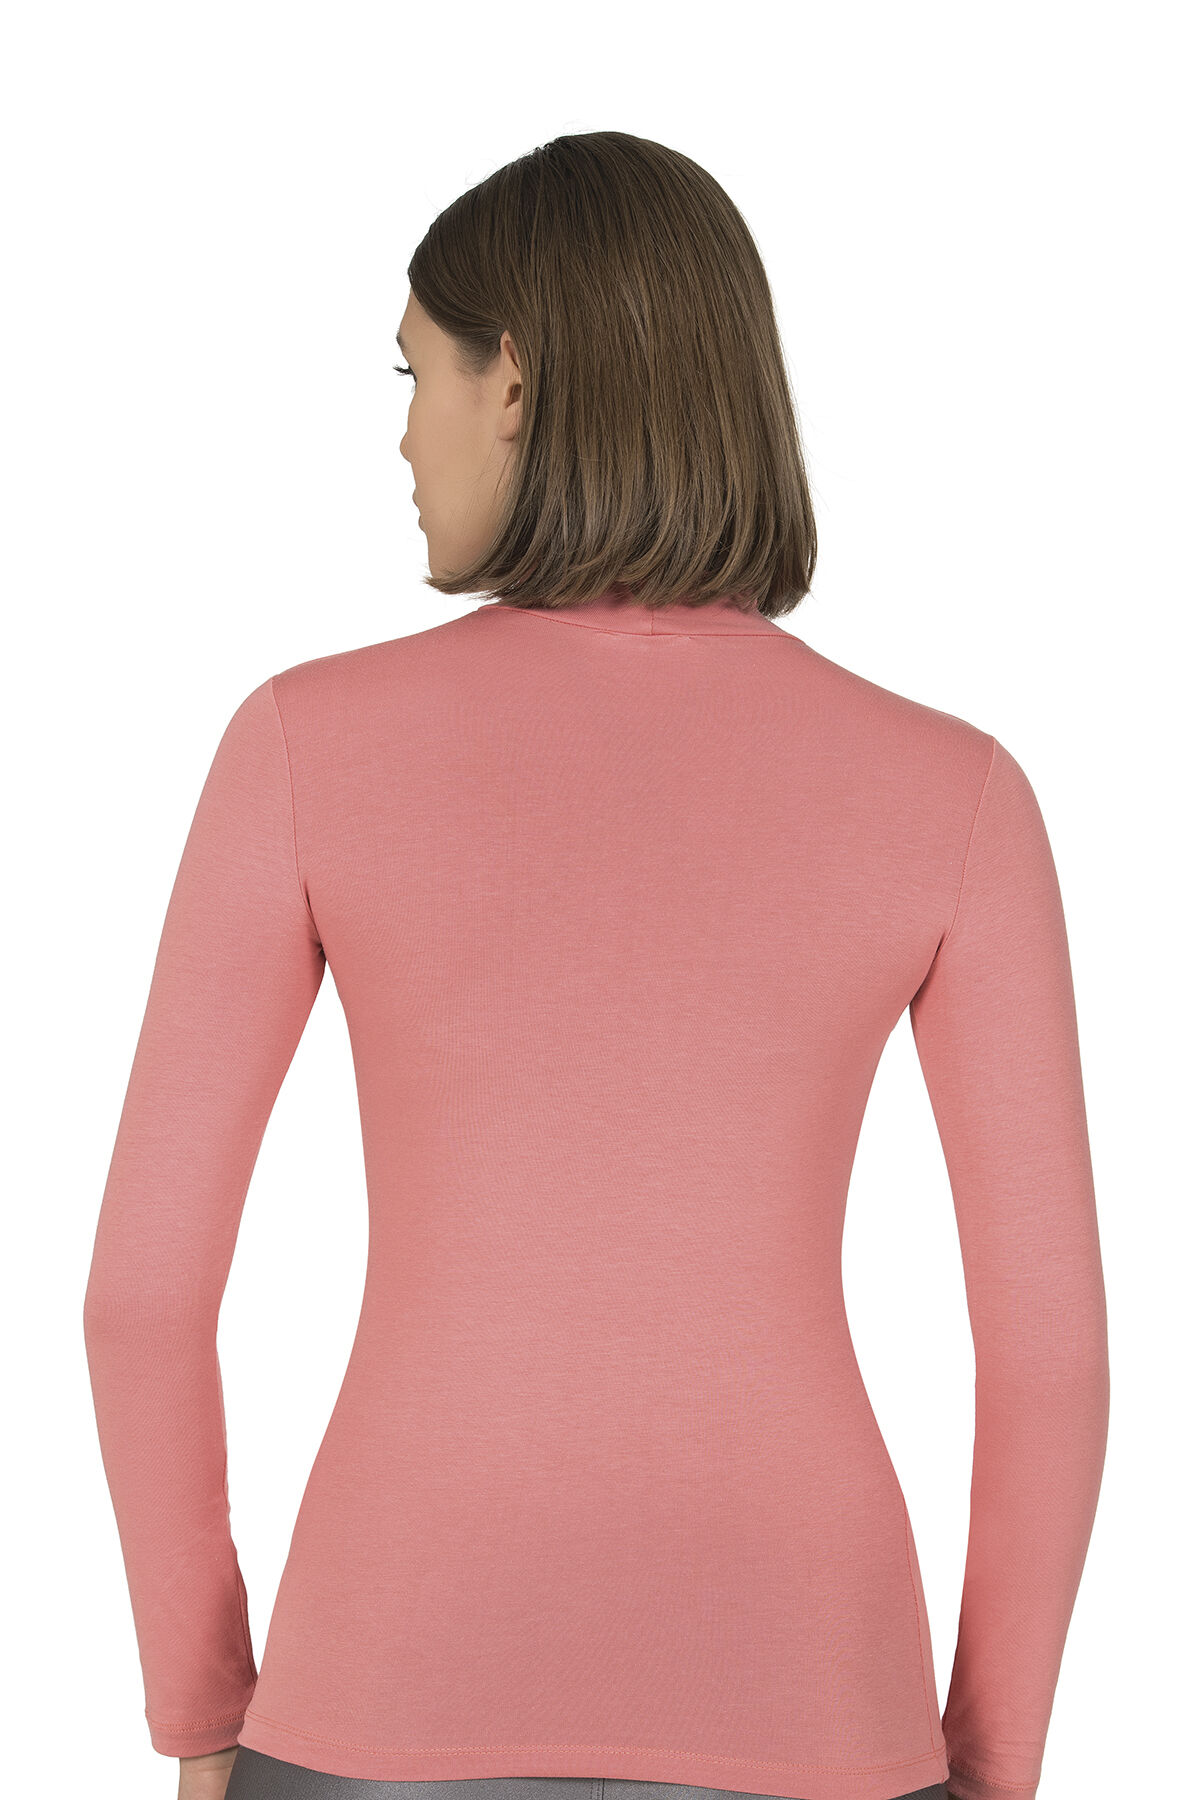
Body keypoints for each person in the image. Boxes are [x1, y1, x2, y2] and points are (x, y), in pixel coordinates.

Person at [82, 131, 1109, 1800]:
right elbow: (1051, 1357)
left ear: (513, 381)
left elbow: (139, 1300)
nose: (401, 434)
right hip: (815, 1698)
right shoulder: (957, 791)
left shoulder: (300, 746)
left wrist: (200, 1713)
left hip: (383, 1685)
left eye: (412, 373)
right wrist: (992, 1764)